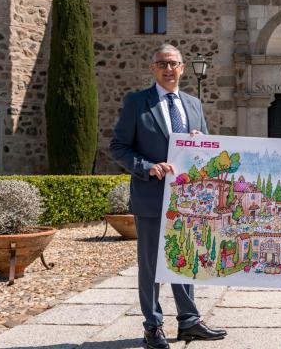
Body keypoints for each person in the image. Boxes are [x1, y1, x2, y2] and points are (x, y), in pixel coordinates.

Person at [110, 44, 226, 349]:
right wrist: (148, 167)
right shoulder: (137, 103)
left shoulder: (194, 104)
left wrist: (203, 144)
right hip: (151, 196)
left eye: (173, 63)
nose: (168, 68)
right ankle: (153, 325)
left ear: (183, 68)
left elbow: (208, 154)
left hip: (187, 201)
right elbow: (119, 148)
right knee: (151, 266)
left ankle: (189, 321)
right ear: (153, 69)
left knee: (185, 257)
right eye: (162, 63)